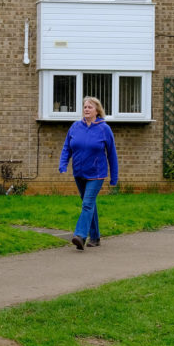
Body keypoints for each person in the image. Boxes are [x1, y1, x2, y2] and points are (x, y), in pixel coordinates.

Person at [58, 96, 119, 250]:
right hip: (79, 172)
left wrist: (114, 176)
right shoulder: (75, 127)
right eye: (85, 107)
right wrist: (63, 164)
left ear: (97, 110)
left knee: (87, 204)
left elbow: (112, 154)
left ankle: (80, 235)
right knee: (89, 204)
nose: (86, 109)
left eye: (90, 107)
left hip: (96, 173)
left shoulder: (104, 129)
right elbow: (67, 147)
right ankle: (96, 236)